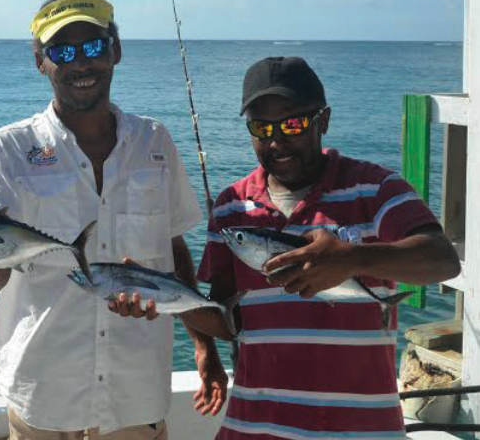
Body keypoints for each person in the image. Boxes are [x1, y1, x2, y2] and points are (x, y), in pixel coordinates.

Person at [0, 0, 221, 439]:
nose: (82, 63)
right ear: (40, 61)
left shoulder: (155, 142)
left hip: (135, 393)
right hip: (43, 393)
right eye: (62, 51)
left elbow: (173, 247)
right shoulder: (4, 151)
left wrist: (203, 344)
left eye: (94, 46)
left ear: (115, 51)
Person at [197, 56, 461, 439]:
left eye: (292, 123)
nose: (276, 140)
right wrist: (165, 299)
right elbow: (227, 320)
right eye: (261, 127)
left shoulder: (376, 189)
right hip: (253, 428)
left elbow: (442, 260)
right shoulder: (230, 207)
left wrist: (351, 258)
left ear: (323, 120)